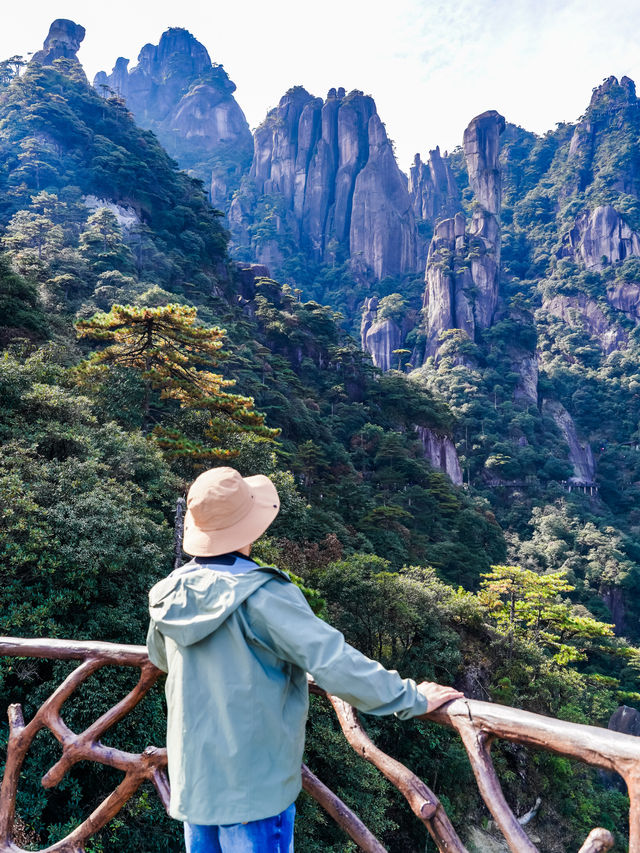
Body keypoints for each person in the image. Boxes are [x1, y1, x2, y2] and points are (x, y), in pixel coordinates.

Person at [146, 467, 464, 853]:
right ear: (249, 527)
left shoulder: (170, 592)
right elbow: (333, 661)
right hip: (253, 789)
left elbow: (160, 657)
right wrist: (412, 698)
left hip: (194, 782)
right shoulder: (262, 593)